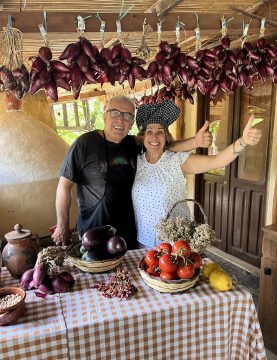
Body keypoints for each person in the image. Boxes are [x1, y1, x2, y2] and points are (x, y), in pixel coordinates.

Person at [52, 95, 212, 249]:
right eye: (115, 113)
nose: (120, 120)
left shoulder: (132, 144)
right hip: (93, 232)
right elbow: (64, 186)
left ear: (131, 123)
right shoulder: (84, 144)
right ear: (105, 114)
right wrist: (62, 225)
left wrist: (195, 142)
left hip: (127, 234)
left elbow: (163, 146)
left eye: (128, 116)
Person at [131, 100, 262, 248]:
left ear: (166, 136)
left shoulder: (177, 161)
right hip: (143, 242)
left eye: (160, 131)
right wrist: (194, 141)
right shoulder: (135, 162)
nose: (154, 136)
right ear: (142, 137)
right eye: (149, 131)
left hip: (175, 244)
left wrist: (242, 142)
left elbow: (217, 161)